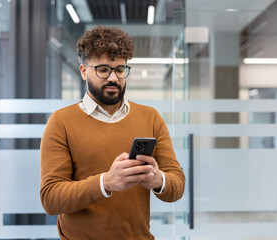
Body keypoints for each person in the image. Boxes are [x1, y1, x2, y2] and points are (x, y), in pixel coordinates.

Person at [39, 26, 185, 240]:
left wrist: (158, 179)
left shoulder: (150, 117)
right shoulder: (61, 121)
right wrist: (106, 182)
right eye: (103, 69)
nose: (114, 78)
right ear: (83, 71)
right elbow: (51, 199)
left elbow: (177, 185)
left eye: (119, 69)